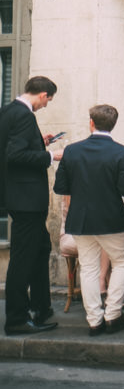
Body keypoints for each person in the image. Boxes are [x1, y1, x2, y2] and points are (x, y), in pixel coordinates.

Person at [52, 103, 124, 336]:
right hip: (112, 219)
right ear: (114, 125)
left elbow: (60, 187)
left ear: (91, 123)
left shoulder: (72, 151)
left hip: (81, 220)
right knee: (122, 263)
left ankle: (94, 320)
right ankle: (113, 315)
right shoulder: (121, 151)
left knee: (88, 268)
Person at [1, 76, 63, 336]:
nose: (46, 105)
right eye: (48, 100)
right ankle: (16, 318)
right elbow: (14, 155)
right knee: (24, 257)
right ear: (43, 95)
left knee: (40, 248)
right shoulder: (25, 115)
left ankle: (41, 307)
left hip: (18, 195)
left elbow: (13, 146)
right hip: (26, 198)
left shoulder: (8, 110)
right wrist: (51, 155)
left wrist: (41, 143)